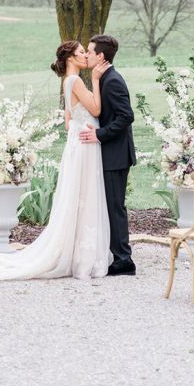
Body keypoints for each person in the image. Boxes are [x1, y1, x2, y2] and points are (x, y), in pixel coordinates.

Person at [0, 40, 113, 281]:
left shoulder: (66, 82)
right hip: (86, 143)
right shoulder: (78, 81)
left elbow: (69, 122)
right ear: (70, 57)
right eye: (81, 52)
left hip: (77, 142)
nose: (85, 56)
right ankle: (83, 256)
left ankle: (74, 252)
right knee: (86, 194)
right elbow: (97, 110)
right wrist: (97, 81)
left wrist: (80, 126)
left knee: (77, 195)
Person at [79, 35, 137, 276]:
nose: (87, 55)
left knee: (115, 207)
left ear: (101, 56)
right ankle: (116, 253)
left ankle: (124, 260)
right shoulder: (104, 78)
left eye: (90, 52)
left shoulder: (113, 81)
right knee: (111, 206)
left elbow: (126, 116)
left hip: (115, 155)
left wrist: (100, 134)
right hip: (110, 153)